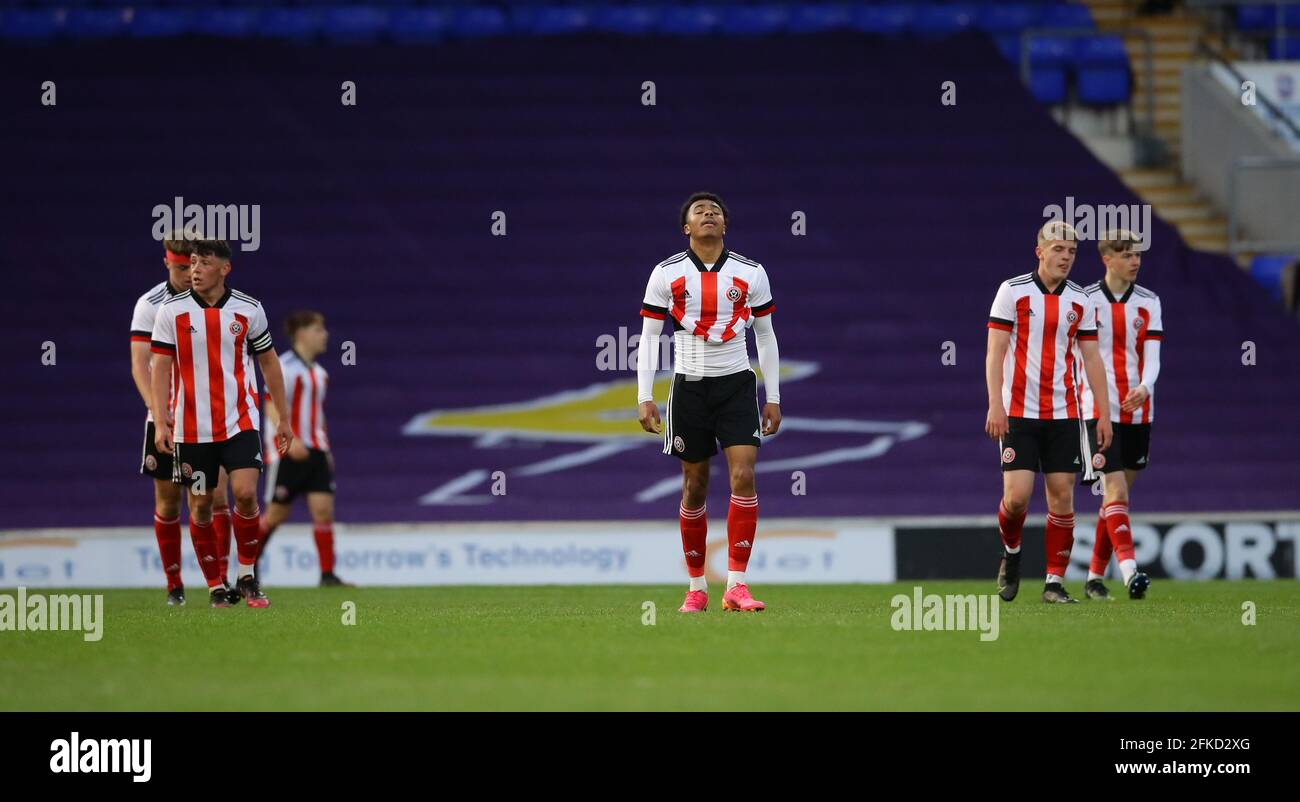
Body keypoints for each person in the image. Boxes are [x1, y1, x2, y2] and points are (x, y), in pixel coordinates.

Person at [635, 192, 781, 613]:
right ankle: (696, 587)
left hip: (737, 384)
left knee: (743, 476)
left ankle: (736, 585)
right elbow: (648, 338)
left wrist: (773, 396)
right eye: (699, 211)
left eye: (715, 211)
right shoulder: (666, 273)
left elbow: (766, 335)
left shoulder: (751, 273)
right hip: (690, 386)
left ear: (725, 225)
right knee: (695, 485)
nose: (708, 214)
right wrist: (644, 396)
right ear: (687, 228)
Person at [149, 239, 294, 607]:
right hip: (192, 428)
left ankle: (246, 575)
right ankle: (215, 585)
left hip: (239, 421)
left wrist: (284, 418)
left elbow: (270, 363)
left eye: (203, 263)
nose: (194, 270)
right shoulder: (171, 312)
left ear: (224, 269)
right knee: (200, 506)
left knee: (244, 493)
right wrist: (162, 422)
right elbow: (161, 367)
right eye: (192, 263)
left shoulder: (249, 309)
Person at [985, 221, 1112, 604]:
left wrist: (1103, 413)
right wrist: (996, 403)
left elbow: (1092, 357)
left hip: (1064, 413)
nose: (1066, 257)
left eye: (1072, 251)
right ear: (1039, 251)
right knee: (1018, 498)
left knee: (1062, 496)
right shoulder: (1013, 291)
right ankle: (1011, 553)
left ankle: (1054, 584)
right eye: (1058, 249)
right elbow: (996, 351)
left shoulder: (1081, 300)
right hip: (1019, 412)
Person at [129, 236, 233, 604]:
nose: (189, 273)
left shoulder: (213, 300)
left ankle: (220, 582)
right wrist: (159, 416)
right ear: (166, 263)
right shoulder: (150, 305)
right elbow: (141, 365)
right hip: (166, 416)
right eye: (180, 267)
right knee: (168, 500)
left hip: (206, 416)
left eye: (194, 265)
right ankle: (175, 585)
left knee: (215, 496)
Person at [1078, 230, 1159, 600]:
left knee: (1115, 500)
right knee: (1116, 490)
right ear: (1107, 259)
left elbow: (1153, 355)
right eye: (1126, 255)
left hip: (1139, 409)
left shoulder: (1149, 302)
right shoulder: (1085, 300)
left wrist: (1145, 386)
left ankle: (1095, 578)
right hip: (1098, 409)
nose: (1135, 261)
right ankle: (1131, 574)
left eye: (1137, 255)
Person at [258, 310, 351, 587]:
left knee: (323, 510)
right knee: (276, 515)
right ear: (301, 334)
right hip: (287, 451)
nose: (325, 335)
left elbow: (317, 415)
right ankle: (247, 567)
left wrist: (326, 448)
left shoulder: (320, 374)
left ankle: (327, 574)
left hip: (315, 451)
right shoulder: (284, 367)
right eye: (318, 330)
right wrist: (290, 440)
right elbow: (270, 404)